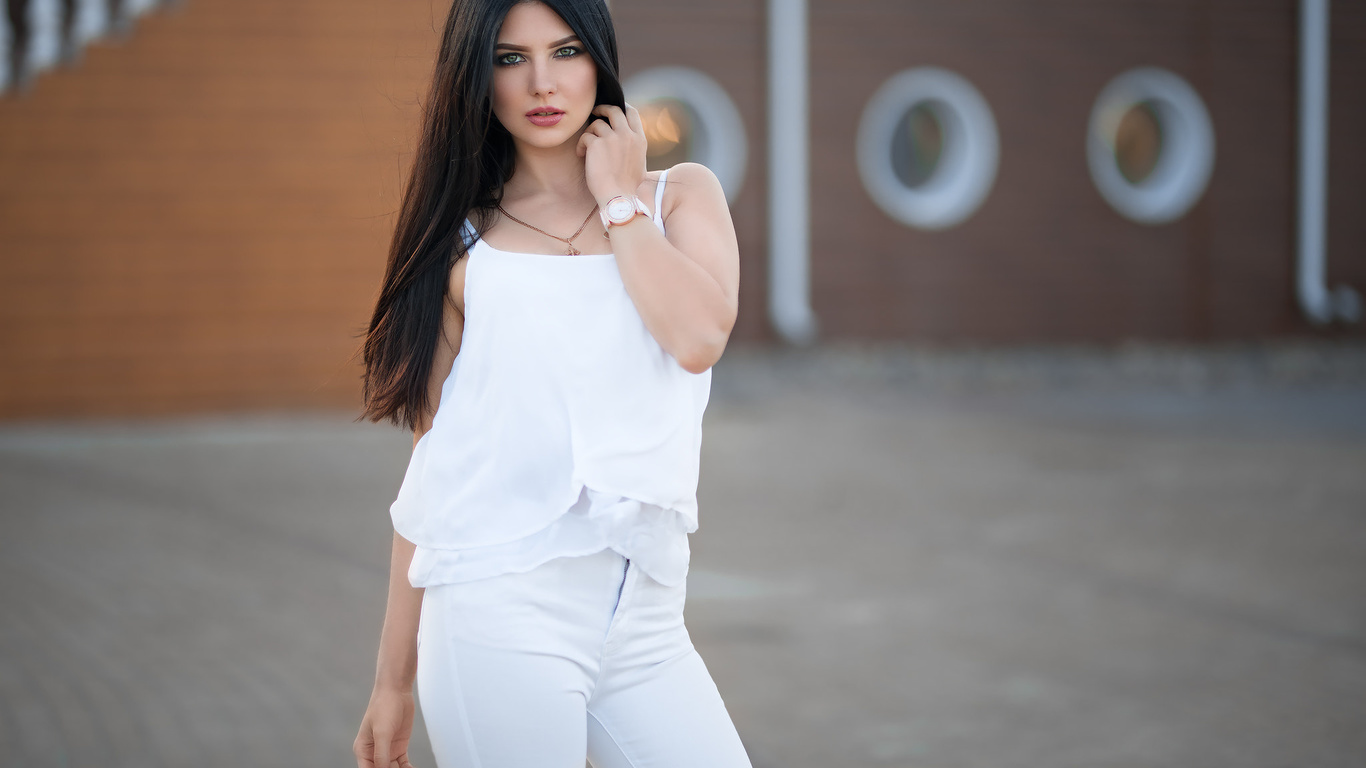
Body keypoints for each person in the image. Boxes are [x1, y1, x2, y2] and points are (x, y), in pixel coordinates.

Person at [351, 0, 748, 765]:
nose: (542, 81)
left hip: (647, 623)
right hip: (495, 610)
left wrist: (619, 200)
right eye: (511, 58)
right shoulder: (464, 241)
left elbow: (699, 337)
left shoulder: (679, 198)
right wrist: (391, 680)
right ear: (479, 76)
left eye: (565, 52)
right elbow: (437, 464)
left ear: (598, 59)